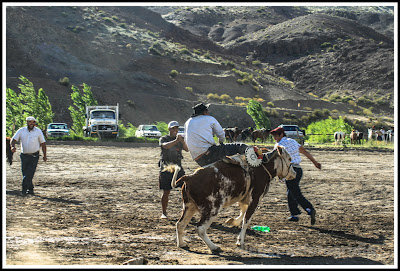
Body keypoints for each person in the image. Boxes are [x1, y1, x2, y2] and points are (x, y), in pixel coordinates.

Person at [270, 126, 321, 225]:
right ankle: (294, 214)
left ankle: (309, 208)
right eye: (273, 136)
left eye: (276, 135)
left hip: (289, 170)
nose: (274, 137)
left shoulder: (278, 146)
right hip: (298, 169)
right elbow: (304, 152)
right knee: (291, 191)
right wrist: (315, 162)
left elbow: (276, 160)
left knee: (295, 192)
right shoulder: (293, 141)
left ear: (281, 134)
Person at [184, 103, 248, 167]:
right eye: (207, 111)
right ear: (205, 112)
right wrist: (220, 143)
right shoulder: (209, 118)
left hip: (198, 159)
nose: (208, 113)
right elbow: (221, 135)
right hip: (210, 153)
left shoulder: (187, 122)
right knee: (240, 146)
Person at [158, 121, 188, 219]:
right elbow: (165, 146)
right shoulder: (164, 138)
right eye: (173, 128)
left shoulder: (180, 140)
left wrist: (182, 141)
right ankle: (164, 212)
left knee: (186, 189)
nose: (175, 130)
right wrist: (176, 140)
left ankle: (185, 212)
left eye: (176, 128)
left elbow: (187, 149)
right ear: (169, 129)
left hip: (178, 168)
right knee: (166, 191)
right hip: (166, 168)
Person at [10, 116, 47, 195]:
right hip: (24, 155)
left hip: (34, 156)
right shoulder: (21, 130)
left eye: (33, 122)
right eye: (29, 122)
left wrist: (45, 155)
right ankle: (30, 189)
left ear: (35, 123)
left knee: (29, 173)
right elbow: (13, 140)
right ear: (27, 122)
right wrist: (12, 146)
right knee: (25, 173)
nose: (31, 123)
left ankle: (24, 189)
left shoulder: (38, 131)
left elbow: (43, 144)